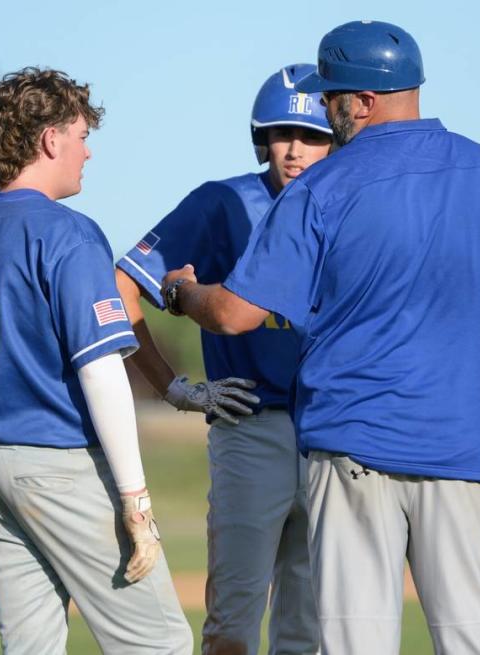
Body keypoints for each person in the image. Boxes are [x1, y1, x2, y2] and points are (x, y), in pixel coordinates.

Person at [160, 21, 480, 655]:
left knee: (356, 642)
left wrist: (186, 294)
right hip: (466, 450)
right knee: (475, 638)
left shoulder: (322, 188)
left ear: (361, 101)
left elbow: (236, 314)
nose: (326, 112)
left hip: (353, 448)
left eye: (329, 99)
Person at [0, 67, 192, 654]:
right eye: (81, 135)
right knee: (158, 644)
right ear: (50, 139)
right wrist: (136, 501)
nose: (88, 151)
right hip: (58, 466)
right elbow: (100, 367)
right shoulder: (69, 235)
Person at [115, 63, 332, 654]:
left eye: (313, 135)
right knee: (233, 625)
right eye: (283, 132)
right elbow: (120, 285)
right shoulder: (223, 201)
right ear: (261, 137)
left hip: (333, 434)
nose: (295, 149)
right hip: (250, 427)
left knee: (309, 631)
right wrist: (172, 387)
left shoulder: (354, 205)